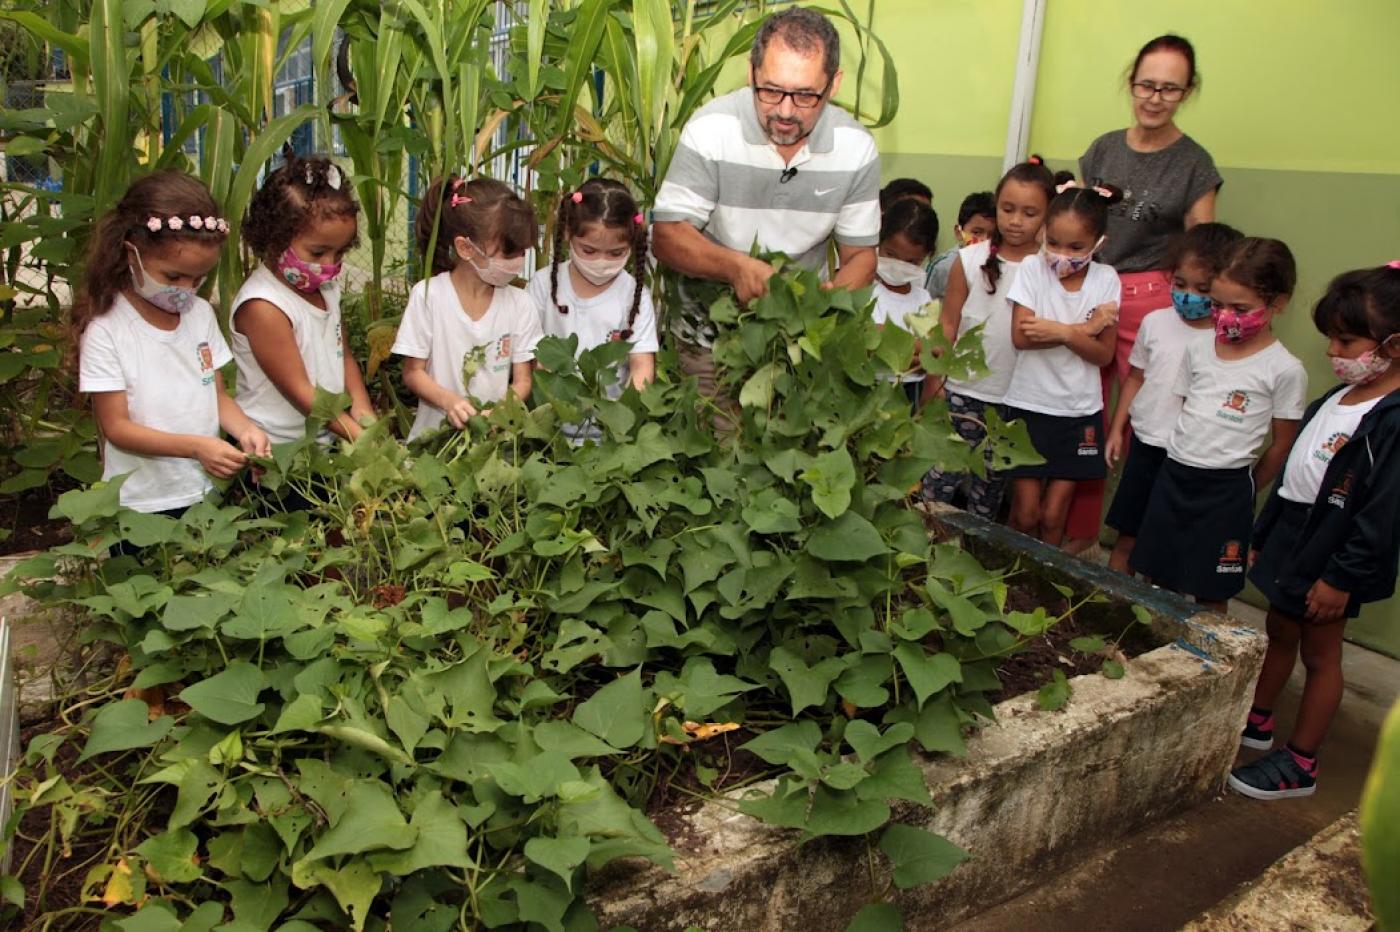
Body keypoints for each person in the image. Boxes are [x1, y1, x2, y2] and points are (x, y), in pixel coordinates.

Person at [1228, 262, 1400, 800]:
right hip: (1292, 533)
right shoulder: (1336, 400)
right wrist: (1262, 535)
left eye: (1347, 341)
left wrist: (1341, 578)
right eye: (1332, 339)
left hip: (1332, 553)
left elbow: (1381, 514)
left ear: (1393, 345)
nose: (1334, 353)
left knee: (1321, 654)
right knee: (1279, 630)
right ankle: (1257, 720)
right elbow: (1295, 475)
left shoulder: (1391, 420)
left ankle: (1301, 761)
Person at [652, 6, 880, 398]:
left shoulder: (855, 148)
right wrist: (736, 267)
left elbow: (862, 256)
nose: (786, 111)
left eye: (806, 95)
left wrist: (826, 301)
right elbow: (667, 236)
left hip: (799, 344)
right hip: (710, 342)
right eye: (770, 90)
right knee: (721, 451)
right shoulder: (711, 129)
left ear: (834, 84)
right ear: (751, 72)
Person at [1065, 34, 1224, 553]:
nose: (1155, 98)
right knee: (1083, 411)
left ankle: (1133, 543)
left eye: (1170, 89)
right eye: (1146, 85)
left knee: (1140, 419)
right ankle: (1077, 536)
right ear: (1131, 83)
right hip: (1090, 288)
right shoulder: (1104, 147)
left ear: (1188, 91)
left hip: (1153, 300)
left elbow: (1202, 248)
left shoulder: (1195, 163)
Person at [74, 172, 269, 515]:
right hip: (141, 502)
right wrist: (195, 448)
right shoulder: (107, 330)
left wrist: (246, 431)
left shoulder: (201, 315)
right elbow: (116, 427)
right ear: (130, 253)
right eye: (173, 276)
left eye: (198, 278)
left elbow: (217, 395)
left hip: (204, 491)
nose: (186, 289)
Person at [1130, 238, 1307, 609]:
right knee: (1157, 579)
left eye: (1240, 307)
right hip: (1175, 473)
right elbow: (1184, 409)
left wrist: (1246, 486)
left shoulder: (1284, 369)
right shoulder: (1197, 349)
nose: (1225, 315)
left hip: (1226, 491)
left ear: (1278, 303)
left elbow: (1282, 444)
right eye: (1218, 304)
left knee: (1212, 592)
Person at [921, 156, 1057, 518]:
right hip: (963, 392)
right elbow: (948, 325)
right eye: (1007, 209)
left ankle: (972, 558)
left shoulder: (1051, 267)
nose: (1015, 220)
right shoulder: (968, 260)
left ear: (1048, 215)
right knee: (939, 481)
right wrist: (934, 386)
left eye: (1030, 213)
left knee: (990, 491)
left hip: (1016, 399)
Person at [1103, 222, 1243, 572]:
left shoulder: (1225, 339)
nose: (1188, 295)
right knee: (1127, 538)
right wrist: (1118, 429)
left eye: (1202, 289)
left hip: (1191, 457)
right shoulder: (1155, 322)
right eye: (1179, 284)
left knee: (1170, 547)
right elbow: (1135, 377)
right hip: (1147, 443)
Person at [1001, 180, 1122, 545]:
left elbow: (1104, 355)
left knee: (1054, 518)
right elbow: (1022, 336)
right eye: (1053, 242)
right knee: (1026, 514)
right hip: (1028, 404)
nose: (1061, 254)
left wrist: (1060, 333)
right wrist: (1084, 329)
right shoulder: (1031, 270)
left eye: (1076, 247)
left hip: (1078, 411)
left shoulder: (1107, 279)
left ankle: (1044, 590)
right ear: (1043, 234)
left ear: (1099, 243)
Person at [232, 152, 374, 444]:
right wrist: (361, 439)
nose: (329, 265)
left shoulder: (325, 289)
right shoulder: (264, 306)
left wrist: (362, 409)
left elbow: (343, 354)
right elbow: (301, 392)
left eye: (340, 252)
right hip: (275, 451)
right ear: (273, 239)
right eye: (318, 253)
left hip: (324, 439)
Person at [393, 176, 543, 440]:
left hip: (492, 446)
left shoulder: (521, 304)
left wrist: (500, 411)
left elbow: (523, 381)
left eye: (522, 252)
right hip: (430, 443)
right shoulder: (428, 296)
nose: (518, 262)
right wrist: (449, 401)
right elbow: (413, 373)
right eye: (508, 254)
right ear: (465, 247)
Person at [527, 178, 659, 442]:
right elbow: (534, 360)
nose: (601, 262)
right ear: (567, 233)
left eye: (615, 253)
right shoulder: (543, 285)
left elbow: (642, 366)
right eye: (588, 250)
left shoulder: (634, 296)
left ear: (632, 244)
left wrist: (621, 419)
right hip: (549, 429)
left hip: (611, 431)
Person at [870, 195, 938, 407]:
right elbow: (869, 339)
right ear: (878, 241)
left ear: (928, 255)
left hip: (911, 395)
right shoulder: (865, 289)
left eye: (911, 261)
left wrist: (892, 348)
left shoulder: (923, 298)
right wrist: (918, 348)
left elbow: (935, 352)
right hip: (870, 390)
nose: (899, 265)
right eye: (891, 254)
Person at [924, 190, 996, 301]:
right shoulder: (943, 266)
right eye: (976, 232)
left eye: (993, 235)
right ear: (959, 232)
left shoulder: (1001, 264)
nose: (985, 240)